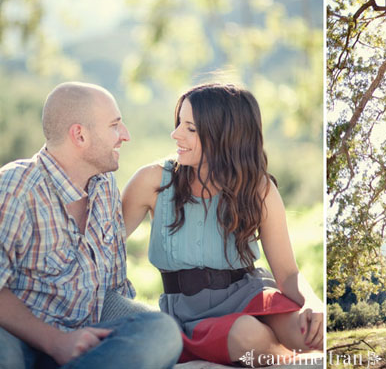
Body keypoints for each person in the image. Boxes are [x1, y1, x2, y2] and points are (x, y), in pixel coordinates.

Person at [122, 83, 324, 366]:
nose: (175, 134)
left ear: (223, 136)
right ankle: (287, 359)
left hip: (251, 295)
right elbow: (105, 248)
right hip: (191, 315)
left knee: (311, 332)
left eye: (190, 128)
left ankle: (306, 351)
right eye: (179, 122)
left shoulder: (259, 189)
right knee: (246, 334)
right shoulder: (153, 181)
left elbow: (288, 274)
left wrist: (314, 304)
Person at [0, 82, 182, 369]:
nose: (125, 136)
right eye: (114, 126)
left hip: (85, 343)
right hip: (20, 338)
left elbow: (112, 289)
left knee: (163, 332)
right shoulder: (15, 187)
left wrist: (139, 323)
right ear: (80, 135)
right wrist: (57, 342)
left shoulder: (105, 186)